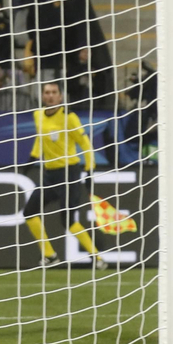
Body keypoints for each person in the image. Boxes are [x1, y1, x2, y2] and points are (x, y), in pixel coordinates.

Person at [21, 81, 106, 269]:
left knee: (67, 221)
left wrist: (90, 170)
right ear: (42, 96)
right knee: (29, 213)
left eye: (54, 92)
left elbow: (85, 144)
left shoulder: (69, 118)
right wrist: (32, 158)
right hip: (49, 175)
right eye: (47, 92)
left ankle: (97, 258)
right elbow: (40, 138)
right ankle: (50, 255)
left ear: (60, 97)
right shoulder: (38, 115)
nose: (50, 96)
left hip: (69, 173)